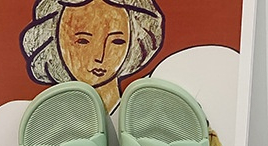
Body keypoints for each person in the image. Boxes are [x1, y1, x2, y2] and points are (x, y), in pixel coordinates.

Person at [21, 0, 165, 113]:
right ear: (54, 38)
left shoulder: (148, 110)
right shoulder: (47, 119)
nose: (100, 56)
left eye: (117, 41)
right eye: (83, 41)